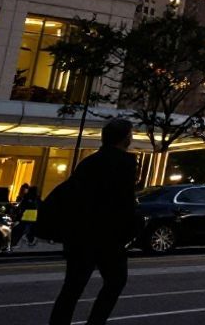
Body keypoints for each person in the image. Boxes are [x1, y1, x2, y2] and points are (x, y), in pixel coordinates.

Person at [49, 118, 138, 325]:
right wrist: (129, 230)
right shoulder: (124, 162)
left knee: (72, 288)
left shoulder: (88, 162)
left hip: (80, 235)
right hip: (107, 236)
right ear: (126, 138)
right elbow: (123, 201)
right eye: (130, 135)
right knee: (115, 282)